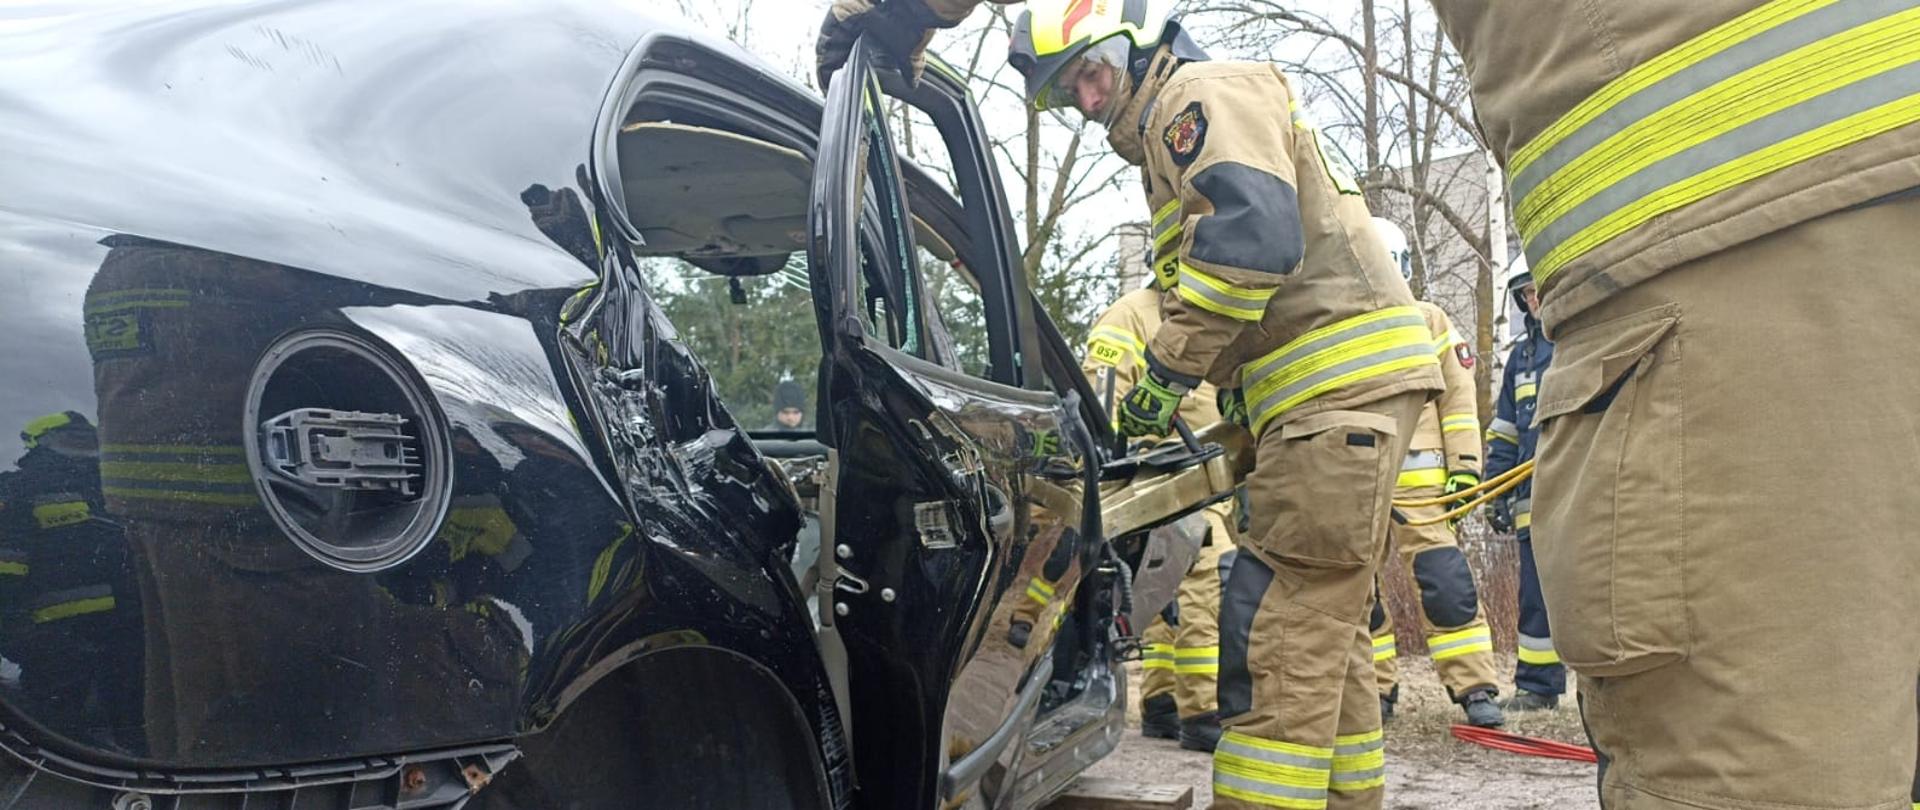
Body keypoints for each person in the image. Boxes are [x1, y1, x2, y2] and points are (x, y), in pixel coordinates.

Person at [826, 4, 1446, 806]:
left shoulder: (1200, 98)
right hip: (1327, 405)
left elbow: (1248, 250)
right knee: (1326, 628)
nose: (1086, 101)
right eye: (1065, 92)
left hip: (1330, 404)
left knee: (1278, 626)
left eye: (1090, 72)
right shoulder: (1183, 122)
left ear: (1133, 42)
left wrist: (1159, 379)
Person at [1431, 3, 1920, 807]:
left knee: (1769, 765)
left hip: (1728, 300)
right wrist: (1491, 469)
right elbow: (1499, 422)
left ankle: (1506, 683)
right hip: (1765, 301)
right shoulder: (1521, 351)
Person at [1364, 218, 1503, 729]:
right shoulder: (1339, 326)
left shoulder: (1431, 321)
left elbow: (1460, 401)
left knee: (1444, 580)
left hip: (1422, 485)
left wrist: (1465, 468)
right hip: (1358, 476)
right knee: (1359, 589)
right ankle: (1373, 689)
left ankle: (1475, 688)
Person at [1081, 284, 1231, 752]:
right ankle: (1204, 710)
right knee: (1208, 583)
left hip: (1209, 472)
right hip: (1163, 480)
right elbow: (1101, 399)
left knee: (1171, 596)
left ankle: (1164, 701)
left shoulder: (1209, 314)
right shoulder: (1130, 315)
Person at [1482, 259, 1561, 713]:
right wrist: (1495, 490)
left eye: (1539, 290)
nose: (1534, 300)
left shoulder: (1575, 343)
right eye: (1526, 293)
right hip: (1531, 497)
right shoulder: (1521, 358)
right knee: (1534, 595)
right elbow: (1505, 431)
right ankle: (1538, 686)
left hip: (1576, 495)